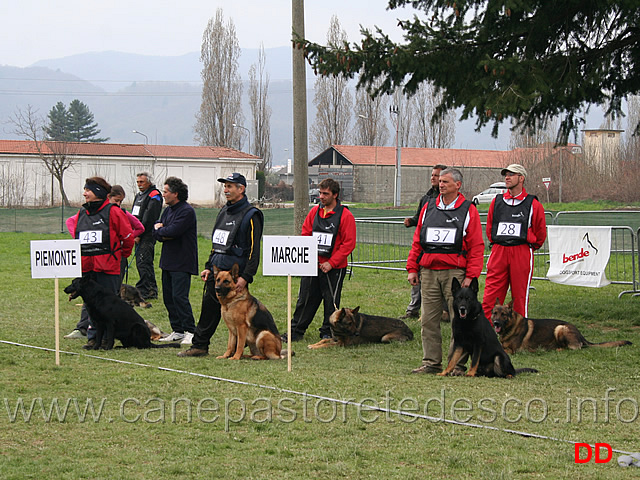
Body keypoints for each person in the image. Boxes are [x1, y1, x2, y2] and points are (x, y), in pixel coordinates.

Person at [406, 168, 485, 374]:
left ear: (458, 185)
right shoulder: (428, 207)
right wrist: (412, 268)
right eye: (440, 181)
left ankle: (456, 365)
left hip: (455, 273)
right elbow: (418, 240)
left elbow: (476, 246)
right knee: (428, 320)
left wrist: (471, 275)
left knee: (459, 321)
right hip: (429, 272)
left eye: (446, 182)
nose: (441, 185)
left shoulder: (468, 210)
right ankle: (431, 363)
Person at [179, 172, 263, 357]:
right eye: (224, 186)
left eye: (230, 186)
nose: (225, 190)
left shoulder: (251, 215)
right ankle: (200, 345)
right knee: (208, 310)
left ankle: (246, 348)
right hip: (217, 272)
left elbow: (253, 251)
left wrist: (245, 277)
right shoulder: (224, 211)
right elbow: (217, 243)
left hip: (234, 278)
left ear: (241, 189)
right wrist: (209, 267)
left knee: (239, 316)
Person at [282, 178, 356, 342]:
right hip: (312, 264)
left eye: (325, 194)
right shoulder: (314, 212)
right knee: (305, 298)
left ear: (335, 195)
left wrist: (332, 263)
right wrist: (312, 258)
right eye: (320, 193)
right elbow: (306, 234)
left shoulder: (345, 216)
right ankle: (296, 331)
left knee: (331, 301)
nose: (321, 197)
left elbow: (348, 243)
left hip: (334, 268)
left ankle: (328, 331)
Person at [63, 177, 134, 347]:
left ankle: (106, 339)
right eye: (85, 190)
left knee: (107, 306)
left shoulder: (114, 212)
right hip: (87, 267)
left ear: (99, 193)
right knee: (90, 306)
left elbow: (128, 236)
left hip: (108, 268)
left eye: (88, 190)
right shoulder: (82, 213)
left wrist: (121, 255)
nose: (84, 193)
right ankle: (93, 336)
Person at [481, 164, 547, 320]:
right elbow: (490, 228)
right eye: (506, 174)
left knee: (519, 295)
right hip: (499, 250)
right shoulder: (496, 202)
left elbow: (540, 233)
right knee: (491, 294)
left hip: (521, 251)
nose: (507, 177)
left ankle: (518, 332)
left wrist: (528, 246)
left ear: (521, 178)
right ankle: (487, 332)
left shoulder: (533, 204)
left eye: (511, 174)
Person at [152, 177, 198, 344]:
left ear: (175, 194)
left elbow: (173, 231)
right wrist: (161, 231)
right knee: (168, 297)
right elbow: (157, 228)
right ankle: (177, 330)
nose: (163, 195)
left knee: (180, 297)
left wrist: (162, 231)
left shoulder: (186, 211)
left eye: (165, 191)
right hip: (167, 261)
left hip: (182, 261)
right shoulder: (168, 210)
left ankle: (190, 331)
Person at [401, 164, 447, 321]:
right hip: (423, 245)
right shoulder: (426, 199)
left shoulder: (448, 201)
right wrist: (411, 221)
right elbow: (419, 219)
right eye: (433, 175)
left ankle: (443, 310)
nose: (434, 178)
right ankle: (413, 309)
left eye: (438, 176)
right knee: (417, 278)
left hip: (440, 248)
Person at [131, 172, 162, 300]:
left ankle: (148, 290)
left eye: (142, 182)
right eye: (138, 182)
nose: (139, 185)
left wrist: (139, 233)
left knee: (144, 262)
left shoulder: (154, 195)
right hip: (137, 232)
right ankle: (146, 287)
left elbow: (149, 217)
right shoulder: (139, 196)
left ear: (148, 182)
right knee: (140, 262)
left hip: (147, 234)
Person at [107, 185, 145, 284]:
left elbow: (140, 228)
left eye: (121, 201)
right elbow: (71, 222)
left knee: (117, 284)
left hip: (118, 253)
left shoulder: (122, 213)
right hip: (103, 254)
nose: (118, 204)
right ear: (108, 197)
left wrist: (127, 237)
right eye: (116, 200)